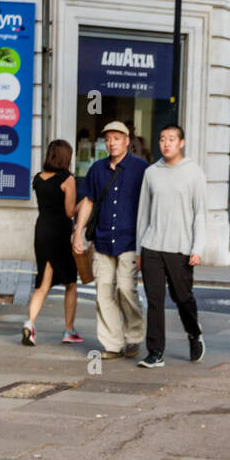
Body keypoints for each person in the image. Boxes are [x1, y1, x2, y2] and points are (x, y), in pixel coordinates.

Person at [71, 120, 147, 361]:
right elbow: (88, 202)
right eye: (109, 138)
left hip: (130, 240)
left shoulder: (141, 169)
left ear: (127, 141)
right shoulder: (97, 169)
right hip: (102, 239)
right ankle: (112, 344)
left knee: (125, 289)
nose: (112, 142)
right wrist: (78, 232)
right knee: (103, 292)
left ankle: (134, 337)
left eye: (117, 138)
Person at [134, 124, 208, 368]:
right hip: (152, 246)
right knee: (154, 300)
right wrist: (138, 251)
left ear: (181, 143)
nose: (166, 143)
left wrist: (198, 247)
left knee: (182, 297)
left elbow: (200, 213)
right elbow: (143, 214)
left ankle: (194, 332)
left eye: (172, 139)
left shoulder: (194, 172)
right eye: (162, 139)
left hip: (181, 248)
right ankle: (155, 352)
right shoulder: (151, 173)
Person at [22, 140, 80, 347]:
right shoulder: (67, 179)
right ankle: (69, 330)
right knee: (71, 282)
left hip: (42, 230)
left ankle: (30, 323)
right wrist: (83, 204)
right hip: (59, 232)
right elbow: (68, 211)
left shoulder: (38, 179)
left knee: (43, 283)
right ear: (66, 157)